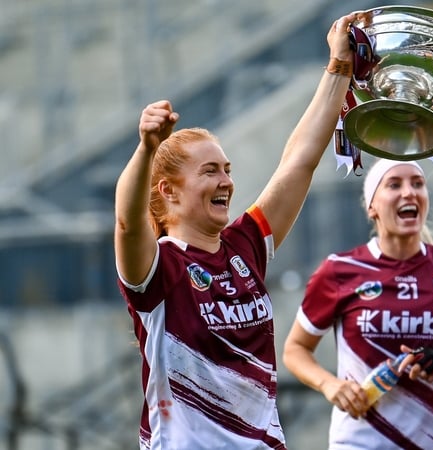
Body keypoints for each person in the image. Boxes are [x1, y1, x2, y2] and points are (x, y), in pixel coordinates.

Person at [113, 12, 359, 450]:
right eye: (210, 171)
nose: (226, 181)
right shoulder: (160, 266)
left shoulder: (245, 246)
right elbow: (128, 222)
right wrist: (147, 148)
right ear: (169, 191)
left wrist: (338, 67)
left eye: (227, 169)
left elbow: (299, 161)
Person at [282, 157, 433, 450]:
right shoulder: (339, 270)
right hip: (359, 442)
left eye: (418, 184)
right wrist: (330, 385)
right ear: (372, 207)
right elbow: (295, 350)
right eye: (394, 184)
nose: (409, 192)